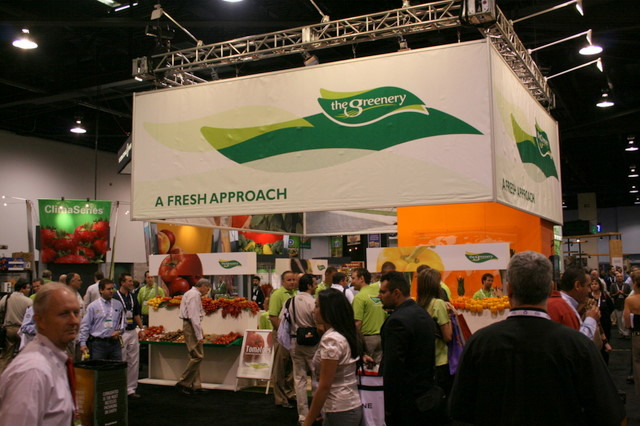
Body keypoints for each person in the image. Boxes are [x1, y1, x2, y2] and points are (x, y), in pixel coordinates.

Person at [449, 251, 626, 425]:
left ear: (509, 290)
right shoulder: (577, 345)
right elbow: (608, 412)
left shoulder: (478, 343)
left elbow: (460, 412)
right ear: (550, 289)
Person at [0, 282, 80, 425]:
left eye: (76, 313)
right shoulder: (33, 372)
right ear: (40, 320)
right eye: (64, 314)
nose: (74, 321)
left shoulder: (55, 359)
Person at [379, 271, 438, 426]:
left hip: (405, 402)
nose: (379, 296)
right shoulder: (423, 313)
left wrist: (387, 405)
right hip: (425, 396)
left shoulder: (397, 321)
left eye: (383, 292)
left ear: (396, 293)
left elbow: (393, 367)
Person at [303, 288, 362, 426]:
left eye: (317, 306)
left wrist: (308, 421)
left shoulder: (332, 339)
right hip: (344, 406)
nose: (313, 310)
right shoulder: (342, 333)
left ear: (329, 311)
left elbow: (324, 385)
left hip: (340, 409)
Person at [416, 268, 452, 396]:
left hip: (423, 362)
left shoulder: (417, 305)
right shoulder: (438, 304)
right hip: (440, 361)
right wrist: (450, 317)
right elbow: (447, 336)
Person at [290, 274, 318, 424]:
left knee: (299, 380)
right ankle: (317, 413)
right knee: (316, 377)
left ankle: (303, 416)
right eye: (315, 283)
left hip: (295, 342)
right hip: (312, 343)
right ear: (309, 286)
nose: (317, 286)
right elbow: (318, 321)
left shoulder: (291, 301)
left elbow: (283, 321)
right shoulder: (312, 302)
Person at [175, 279, 212, 395]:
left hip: (190, 325)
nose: (207, 291)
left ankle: (196, 385)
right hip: (191, 326)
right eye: (207, 289)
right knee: (198, 356)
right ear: (203, 286)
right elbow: (194, 316)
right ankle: (183, 382)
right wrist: (199, 335)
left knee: (194, 356)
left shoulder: (191, 294)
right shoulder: (194, 296)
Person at [268, 271, 298, 408]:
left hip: (293, 335)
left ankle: (290, 394)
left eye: (294, 280)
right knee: (280, 368)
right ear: (282, 281)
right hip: (281, 336)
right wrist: (283, 334)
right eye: (289, 280)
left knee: (291, 367)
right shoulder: (277, 294)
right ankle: (280, 398)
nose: (292, 282)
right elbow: (273, 316)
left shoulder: (296, 294)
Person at [547, 266, 599, 339]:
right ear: (577, 285)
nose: (590, 290)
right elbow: (578, 341)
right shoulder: (562, 308)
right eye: (588, 286)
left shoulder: (560, 303)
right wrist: (591, 319)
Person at [114, 273, 144, 399]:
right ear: (122, 283)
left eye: (132, 281)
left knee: (134, 360)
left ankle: (131, 389)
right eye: (129, 281)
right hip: (121, 332)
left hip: (132, 331)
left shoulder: (133, 296)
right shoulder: (115, 297)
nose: (132, 283)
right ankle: (120, 388)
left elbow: (136, 314)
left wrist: (141, 328)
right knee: (122, 359)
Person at [79, 279, 124, 361]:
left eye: (112, 288)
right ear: (101, 290)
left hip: (114, 343)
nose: (111, 291)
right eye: (108, 289)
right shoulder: (93, 306)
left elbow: (123, 322)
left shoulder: (118, 304)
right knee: (99, 367)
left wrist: (120, 331)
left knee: (117, 367)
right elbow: (85, 326)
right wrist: (83, 343)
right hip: (98, 344)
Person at [351, 267, 387, 364]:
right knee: (377, 368)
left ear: (361, 278)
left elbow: (357, 323)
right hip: (381, 338)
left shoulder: (359, 297)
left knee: (365, 368)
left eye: (353, 278)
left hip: (367, 340)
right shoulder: (377, 294)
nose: (352, 282)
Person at [0, 278, 33, 372]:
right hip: (22, 331)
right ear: (22, 289)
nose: (29, 290)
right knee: (23, 355)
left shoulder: (6, 298)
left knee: (6, 355)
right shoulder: (28, 301)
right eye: (27, 288)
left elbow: (0, 309)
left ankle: (2, 375)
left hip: (8, 330)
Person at [590, 277, 615, 363]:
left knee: (605, 344)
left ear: (600, 285)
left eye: (595, 284)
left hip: (605, 323)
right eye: (592, 284)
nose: (594, 286)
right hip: (593, 324)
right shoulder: (589, 297)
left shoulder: (605, 295)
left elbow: (611, 307)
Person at [624, 271, 640, 397]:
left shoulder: (630, 300)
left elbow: (627, 322)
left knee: (637, 363)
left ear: (634, 283)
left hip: (637, 335)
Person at [611, 271, 632, 338]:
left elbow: (629, 295)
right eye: (618, 276)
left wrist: (623, 293)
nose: (619, 278)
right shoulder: (613, 285)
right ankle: (621, 333)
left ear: (623, 278)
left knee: (625, 319)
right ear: (616, 278)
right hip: (617, 304)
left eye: (621, 276)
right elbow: (611, 295)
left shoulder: (627, 286)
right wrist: (617, 293)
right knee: (619, 320)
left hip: (625, 304)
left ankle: (626, 333)